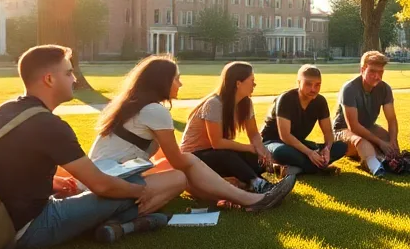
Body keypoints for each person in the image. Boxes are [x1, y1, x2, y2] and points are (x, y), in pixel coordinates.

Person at [0, 45, 180, 249]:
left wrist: (53, 181)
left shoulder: (3, 112)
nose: (75, 79)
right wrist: (139, 191)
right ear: (49, 79)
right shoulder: (48, 124)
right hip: (29, 228)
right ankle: (125, 222)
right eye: (69, 73)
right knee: (123, 189)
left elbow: (7, 167)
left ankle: (122, 223)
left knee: (117, 189)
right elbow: (102, 186)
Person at [89, 55, 295, 212]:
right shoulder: (155, 110)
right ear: (162, 82)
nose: (180, 84)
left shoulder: (136, 106)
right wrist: (219, 182)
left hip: (107, 177)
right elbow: (180, 160)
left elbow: (162, 157)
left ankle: (240, 194)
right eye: (176, 79)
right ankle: (249, 197)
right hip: (109, 181)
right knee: (182, 173)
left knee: (183, 173)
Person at [181, 62, 286, 192]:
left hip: (217, 153)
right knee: (228, 155)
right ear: (238, 83)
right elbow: (217, 143)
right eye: (252, 80)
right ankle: (258, 183)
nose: (254, 84)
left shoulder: (246, 103)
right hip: (195, 157)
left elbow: (253, 134)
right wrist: (248, 148)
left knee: (251, 157)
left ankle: (258, 179)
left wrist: (261, 150)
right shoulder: (215, 104)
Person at [333, 51, 410, 176]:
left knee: (388, 140)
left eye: (380, 72)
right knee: (362, 142)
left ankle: (389, 159)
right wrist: (380, 143)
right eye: (372, 71)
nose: (377, 76)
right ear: (362, 69)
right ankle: (376, 167)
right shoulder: (350, 89)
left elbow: (391, 119)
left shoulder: (384, 88)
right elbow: (354, 127)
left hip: (368, 126)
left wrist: (393, 142)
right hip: (343, 130)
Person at [261, 64, 349, 175]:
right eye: (308, 84)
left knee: (341, 147)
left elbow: (328, 133)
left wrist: (327, 149)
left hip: (298, 144)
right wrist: (309, 153)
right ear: (298, 83)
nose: (313, 89)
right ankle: (320, 169)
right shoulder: (286, 99)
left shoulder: (320, 101)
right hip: (274, 142)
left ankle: (294, 169)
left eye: (317, 85)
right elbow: (285, 136)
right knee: (282, 152)